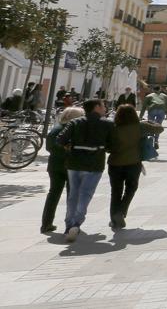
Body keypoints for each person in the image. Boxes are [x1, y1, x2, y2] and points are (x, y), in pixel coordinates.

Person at [58, 98, 115, 241]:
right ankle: (76, 223)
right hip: (94, 164)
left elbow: (60, 139)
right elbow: (112, 144)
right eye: (103, 106)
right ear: (96, 107)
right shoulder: (107, 124)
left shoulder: (75, 122)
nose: (105, 108)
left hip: (74, 163)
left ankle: (68, 225)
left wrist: (70, 147)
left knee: (73, 195)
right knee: (85, 194)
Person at [105, 104, 163, 229]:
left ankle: (114, 219)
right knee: (131, 188)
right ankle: (121, 212)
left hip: (115, 163)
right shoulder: (140, 126)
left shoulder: (113, 128)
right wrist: (150, 121)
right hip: (133, 163)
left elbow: (107, 147)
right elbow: (159, 129)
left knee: (115, 191)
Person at [41, 106, 83, 234]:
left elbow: (48, 147)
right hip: (71, 166)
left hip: (54, 166)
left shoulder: (55, 129)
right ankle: (70, 225)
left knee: (53, 194)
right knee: (72, 196)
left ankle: (46, 224)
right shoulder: (73, 129)